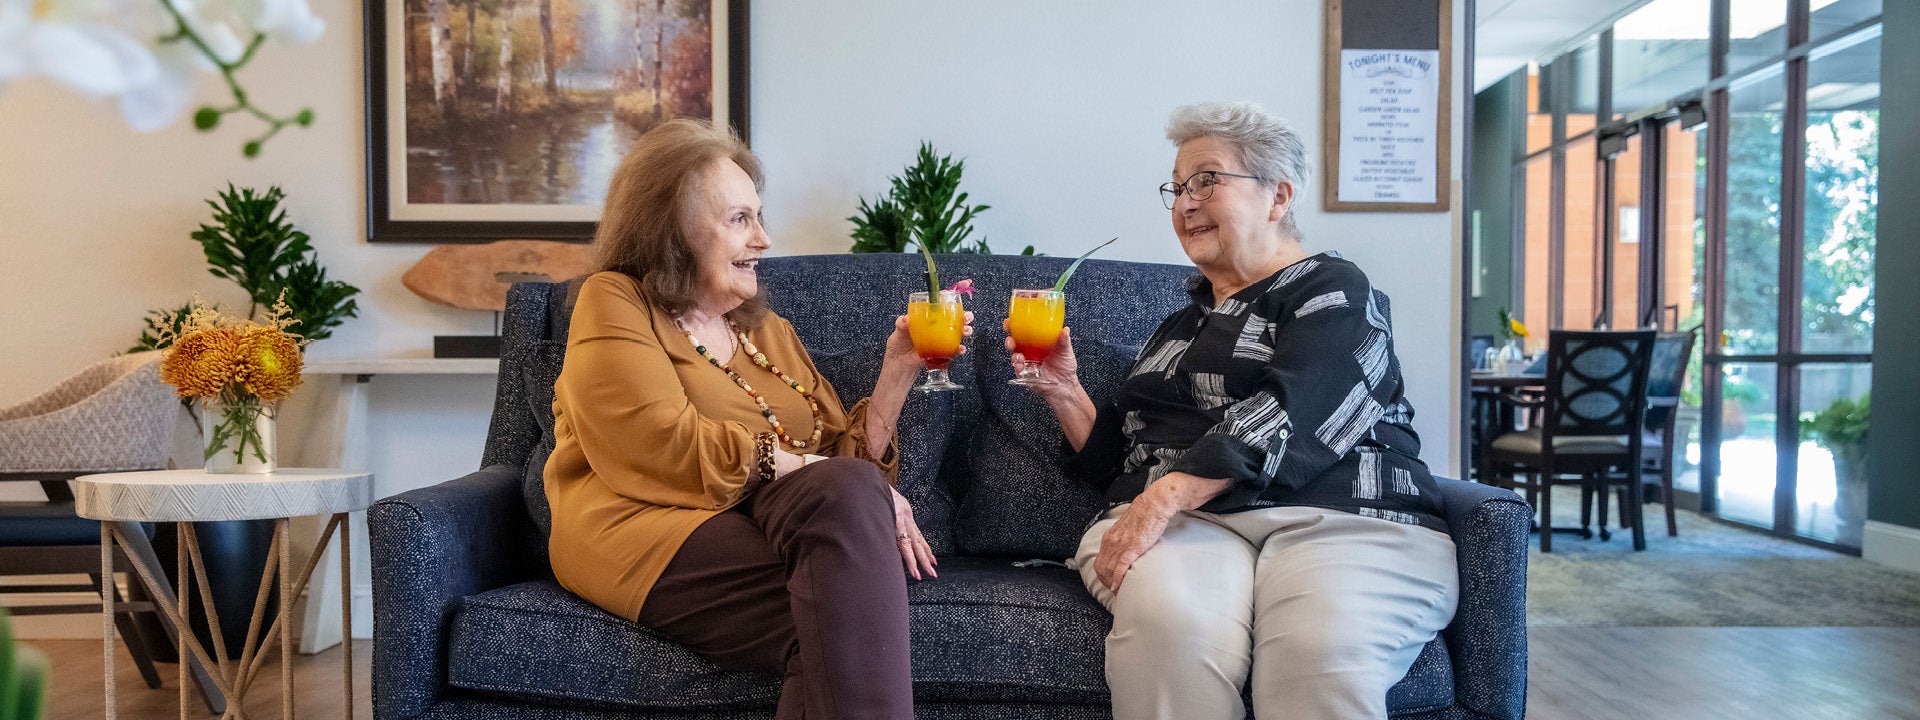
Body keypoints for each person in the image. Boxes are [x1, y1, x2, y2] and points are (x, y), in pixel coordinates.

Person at [1010, 102, 1458, 720]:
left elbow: (1300, 411)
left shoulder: (1333, 290)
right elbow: (1115, 459)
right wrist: (1065, 391)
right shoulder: (1178, 327)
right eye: (1177, 187)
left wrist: (1163, 497)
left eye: (1207, 181)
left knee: (1316, 650)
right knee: (1173, 628)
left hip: (1346, 514)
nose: (1185, 203)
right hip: (1199, 526)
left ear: (1278, 197)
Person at [545, 119, 964, 720]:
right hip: (644, 526)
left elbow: (839, 481)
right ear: (673, 229)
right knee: (838, 618)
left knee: (832, 620)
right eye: (740, 219)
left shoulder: (766, 329)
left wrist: (896, 371)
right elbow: (654, 441)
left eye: (760, 217)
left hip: (761, 518)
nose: (765, 239)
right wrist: (806, 466)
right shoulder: (615, 300)